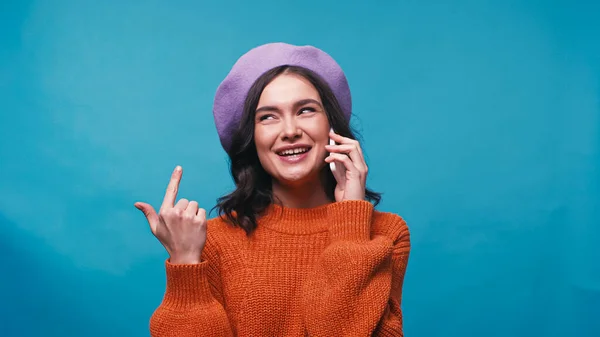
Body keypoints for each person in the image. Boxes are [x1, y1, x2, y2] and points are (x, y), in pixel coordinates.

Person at [134, 42, 411, 336]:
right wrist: (185, 263)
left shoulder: (386, 233)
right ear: (251, 138)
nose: (290, 131)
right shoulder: (212, 241)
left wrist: (350, 223)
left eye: (305, 110)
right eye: (268, 117)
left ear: (332, 126)